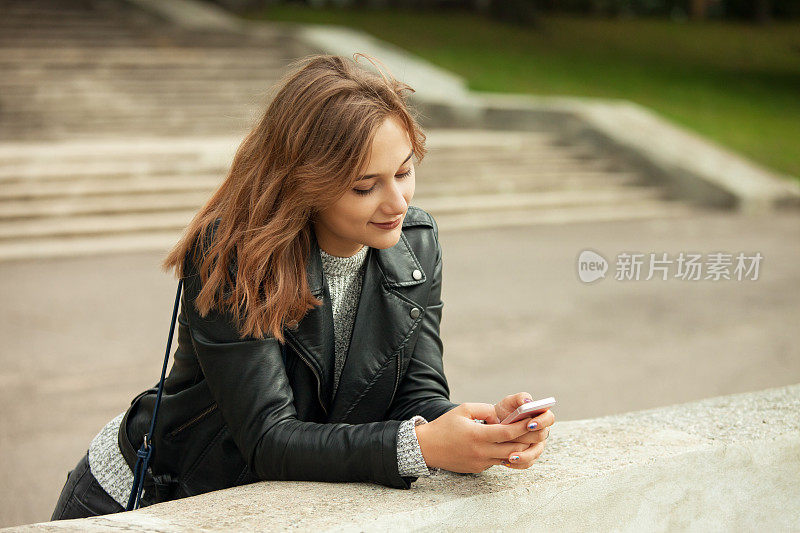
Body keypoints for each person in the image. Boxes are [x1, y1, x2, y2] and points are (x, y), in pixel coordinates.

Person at [50, 53, 555, 521]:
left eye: (404, 171)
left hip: (265, 509)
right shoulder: (234, 255)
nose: (397, 201)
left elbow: (416, 392)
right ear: (304, 180)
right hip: (147, 501)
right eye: (365, 186)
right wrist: (422, 447)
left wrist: (476, 431)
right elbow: (268, 440)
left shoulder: (415, 244)